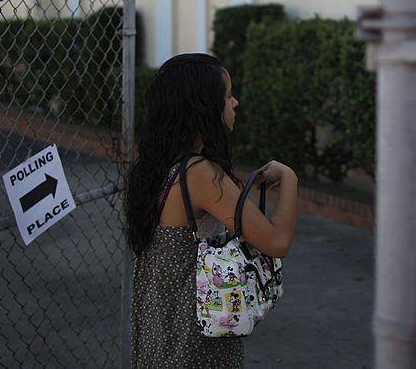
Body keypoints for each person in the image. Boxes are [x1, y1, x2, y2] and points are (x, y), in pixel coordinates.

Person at [125, 53, 298, 368]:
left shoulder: (156, 165)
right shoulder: (199, 173)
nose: (236, 103)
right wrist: (289, 178)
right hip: (194, 339)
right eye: (228, 96)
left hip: (159, 329)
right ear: (203, 107)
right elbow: (276, 241)